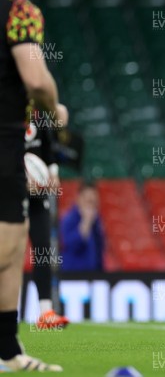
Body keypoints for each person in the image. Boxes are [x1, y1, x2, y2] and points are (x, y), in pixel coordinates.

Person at [0, 0, 68, 371]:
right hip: (4, 138)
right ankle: (7, 348)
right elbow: (37, 81)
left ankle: (7, 350)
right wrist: (54, 108)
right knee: (9, 246)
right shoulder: (18, 10)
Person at [25, 108, 69, 329]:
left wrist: (53, 173)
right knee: (7, 253)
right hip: (10, 194)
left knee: (42, 249)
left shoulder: (39, 115)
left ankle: (46, 312)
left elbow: (47, 148)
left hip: (37, 197)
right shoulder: (7, 113)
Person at [60, 182, 105, 272]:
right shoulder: (69, 219)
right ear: (79, 199)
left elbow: (100, 249)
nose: (91, 205)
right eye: (88, 201)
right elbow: (71, 245)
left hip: (93, 274)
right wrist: (86, 222)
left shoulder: (96, 221)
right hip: (73, 275)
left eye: (93, 202)